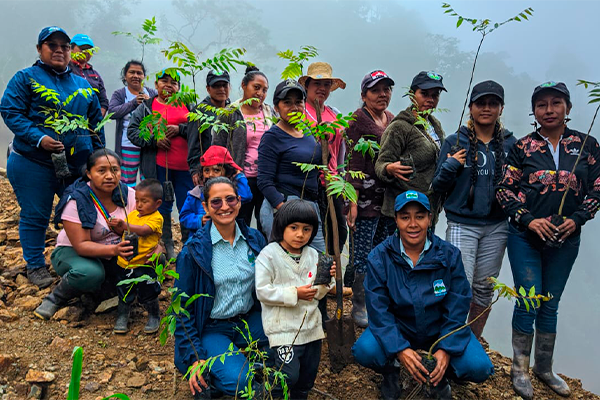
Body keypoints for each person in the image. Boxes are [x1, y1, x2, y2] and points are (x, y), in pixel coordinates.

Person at [496, 81, 600, 400]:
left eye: (556, 103)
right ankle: (519, 369)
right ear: (534, 111)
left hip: (566, 238)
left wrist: (577, 218)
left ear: (568, 108)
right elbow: (505, 189)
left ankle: (544, 368)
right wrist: (529, 219)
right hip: (525, 237)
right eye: (542, 105)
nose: (549, 110)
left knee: (550, 303)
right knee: (529, 299)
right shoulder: (523, 147)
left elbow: (598, 187)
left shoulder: (586, 145)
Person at [352, 191, 494, 400]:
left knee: (479, 367)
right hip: (401, 327)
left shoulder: (449, 255)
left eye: (419, 216)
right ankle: (391, 370)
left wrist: (445, 349)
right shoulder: (379, 257)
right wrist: (400, 349)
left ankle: (440, 375)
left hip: (440, 330)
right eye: (405, 217)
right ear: (396, 220)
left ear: (430, 218)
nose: (413, 224)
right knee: (365, 350)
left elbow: (458, 303)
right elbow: (378, 310)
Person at [0, 26, 104, 289]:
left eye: (65, 47)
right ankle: (35, 265)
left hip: (76, 165)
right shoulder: (26, 78)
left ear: (71, 51)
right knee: (35, 214)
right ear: (39, 49)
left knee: (83, 212)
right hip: (32, 161)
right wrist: (38, 137)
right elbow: (11, 111)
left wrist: (98, 159)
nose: (59, 50)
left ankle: (87, 258)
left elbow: (94, 124)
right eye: (52, 46)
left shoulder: (83, 85)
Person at [432, 80, 516, 339]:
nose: (486, 109)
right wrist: (450, 166)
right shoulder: (455, 142)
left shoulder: (512, 145)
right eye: (481, 103)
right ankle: (451, 337)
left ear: (501, 108)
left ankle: (473, 337)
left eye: (493, 104)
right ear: (471, 108)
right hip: (462, 223)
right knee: (459, 283)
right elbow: (437, 185)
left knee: (484, 286)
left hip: (497, 225)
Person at [174, 177, 267, 398]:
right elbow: (180, 308)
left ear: (239, 201)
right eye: (216, 202)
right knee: (240, 382)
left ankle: (238, 364)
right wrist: (194, 356)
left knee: (285, 349)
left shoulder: (254, 239)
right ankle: (212, 378)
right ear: (205, 207)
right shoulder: (193, 252)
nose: (225, 207)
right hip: (211, 327)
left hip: (248, 320)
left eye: (230, 199)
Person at [33, 149, 135, 320]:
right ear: (89, 173)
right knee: (90, 274)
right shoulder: (76, 199)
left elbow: (143, 227)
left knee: (153, 259)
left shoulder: (129, 195)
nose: (109, 176)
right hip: (73, 251)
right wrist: (115, 250)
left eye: (114, 170)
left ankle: (103, 290)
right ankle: (55, 298)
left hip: (115, 250)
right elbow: (81, 246)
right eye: (101, 171)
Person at [255, 199, 335, 400]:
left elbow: (321, 289)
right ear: (281, 226)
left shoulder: (313, 255)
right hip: (283, 329)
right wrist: (294, 294)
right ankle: (265, 394)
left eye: (307, 229)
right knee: (287, 376)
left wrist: (328, 279)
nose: (300, 234)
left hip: (311, 328)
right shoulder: (269, 255)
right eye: (294, 228)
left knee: (307, 378)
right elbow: (262, 291)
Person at [127, 69, 197, 258]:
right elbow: (132, 132)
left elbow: (198, 130)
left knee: (187, 205)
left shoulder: (188, 104)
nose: (168, 85)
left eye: (173, 83)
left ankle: (189, 246)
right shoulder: (147, 106)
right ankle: (167, 245)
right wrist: (153, 140)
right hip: (159, 167)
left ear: (179, 87)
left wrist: (180, 128)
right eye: (164, 81)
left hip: (185, 168)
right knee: (163, 205)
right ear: (156, 85)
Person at [345, 70, 396, 328]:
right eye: (376, 90)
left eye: (386, 89)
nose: (382, 94)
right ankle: (359, 304)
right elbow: (352, 162)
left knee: (382, 249)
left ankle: (377, 300)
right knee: (362, 253)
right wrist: (351, 201)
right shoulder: (357, 121)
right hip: (364, 199)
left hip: (386, 199)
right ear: (364, 94)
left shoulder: (391, 119)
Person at [257, 79, 325, 253]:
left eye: (298, 102)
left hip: (310, 206)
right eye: (287, 102)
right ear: (276, 107)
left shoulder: (309, 132)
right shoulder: (272, 137)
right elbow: (264, 181)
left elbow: (318, 166)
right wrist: (285, 209)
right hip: (283, 205)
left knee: (317, 261)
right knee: (285, 262)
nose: (294, 107)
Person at [375, 70, 446, 233]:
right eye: (425, 94)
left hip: (427, 209)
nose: (430, 99)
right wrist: (389, 168)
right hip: (403, 211)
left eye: (435, 95)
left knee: (424, 258)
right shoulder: (400, 127)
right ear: (412, 95)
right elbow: (381, 163)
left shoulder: (435, 125)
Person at [299, 62, 349, 276]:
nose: (322, 89)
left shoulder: (335, 113)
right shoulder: (300, 112)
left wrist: (341, 176)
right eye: (317, 83)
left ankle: (328, 275)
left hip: (333, 181)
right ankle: (315, 278)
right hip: (311, 181)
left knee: (338, 230)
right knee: (315, 232)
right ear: (307, 85)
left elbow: (341, 150)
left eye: (326, 84)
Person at [213, 66, 274, 230]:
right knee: (240, 220)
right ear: (243, 85)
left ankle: (262, 254)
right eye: (256, 87)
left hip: (266, 179)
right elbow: (218, 147)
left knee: (265, 222)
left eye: (264, 90)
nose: (260, 93)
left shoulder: (270, 112)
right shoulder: (230, 113)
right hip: (240, 178)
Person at [110, 178, 164, 335]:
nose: (139, 205)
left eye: (144, 201)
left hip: (145, 263)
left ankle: (154, 315)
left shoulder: (156, 218)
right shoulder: (132, 215)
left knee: (149, 290)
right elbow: (124, 232)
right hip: (125, 262)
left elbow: (144, 230)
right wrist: (115, 227)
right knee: (124, 290)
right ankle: (122, 316)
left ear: (157, 203)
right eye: (137, 200)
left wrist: (124, 225)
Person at [180, 145, 252, 234]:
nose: (210, 174)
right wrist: (199, 220)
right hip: (200, 239)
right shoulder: (196, 194)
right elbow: (184, 216)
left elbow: (246, 196)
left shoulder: (232, 193)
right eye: (206, 170)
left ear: (227, 173)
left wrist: (238, 174)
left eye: (216, 170)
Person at [108, 60, 157, 186]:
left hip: (149, 144)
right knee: (126, 182)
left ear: (144, 76)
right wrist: (133, 103)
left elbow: (163, 113)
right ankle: (127, 204)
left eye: (139, 73)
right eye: (132, 72)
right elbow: (112, 112)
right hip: (127, 144)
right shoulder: (120, 94)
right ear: (125, 76)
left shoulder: (152, 93)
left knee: (148, 181)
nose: (135, 76)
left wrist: (150, 103)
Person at [187, 69, 232, 186]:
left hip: (228, 169)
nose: (221, 89)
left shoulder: (233, 110)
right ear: (208, 89)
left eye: (224, 85)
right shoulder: (199, 112)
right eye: (216, 86)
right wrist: (195, 170)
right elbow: (193, 143)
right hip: (209, 170)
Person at [69, 34, 108, 116]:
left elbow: (103, 100)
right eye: (82, 48)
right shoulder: (65, 69)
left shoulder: (95, 74)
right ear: (70, 48)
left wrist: (98, 118)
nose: (86, 52)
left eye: (90, 50)